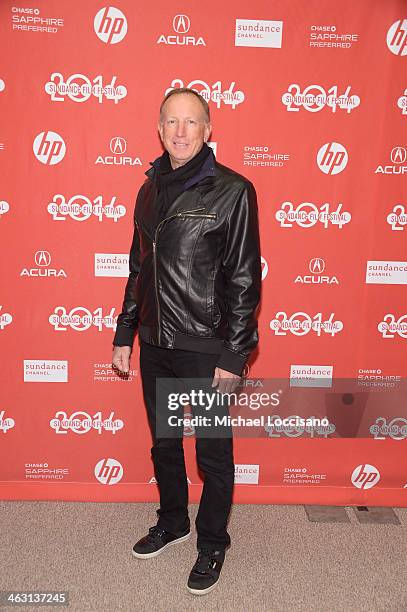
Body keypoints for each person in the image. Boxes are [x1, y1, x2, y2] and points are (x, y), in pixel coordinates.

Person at [112, 87, 261, 595]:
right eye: (172, 121)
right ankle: (173, 522)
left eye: (191, 122)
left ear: (208, 129)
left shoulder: (233, 190)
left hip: (204, 346)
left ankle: (212, 542)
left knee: (213, 454)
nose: (180, 131)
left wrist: (235, 355)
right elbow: (139, 270)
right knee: (166, 445)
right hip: (155, 344)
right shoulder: (149, 188)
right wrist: (125, 334)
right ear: (159, 128)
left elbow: (244, 280)